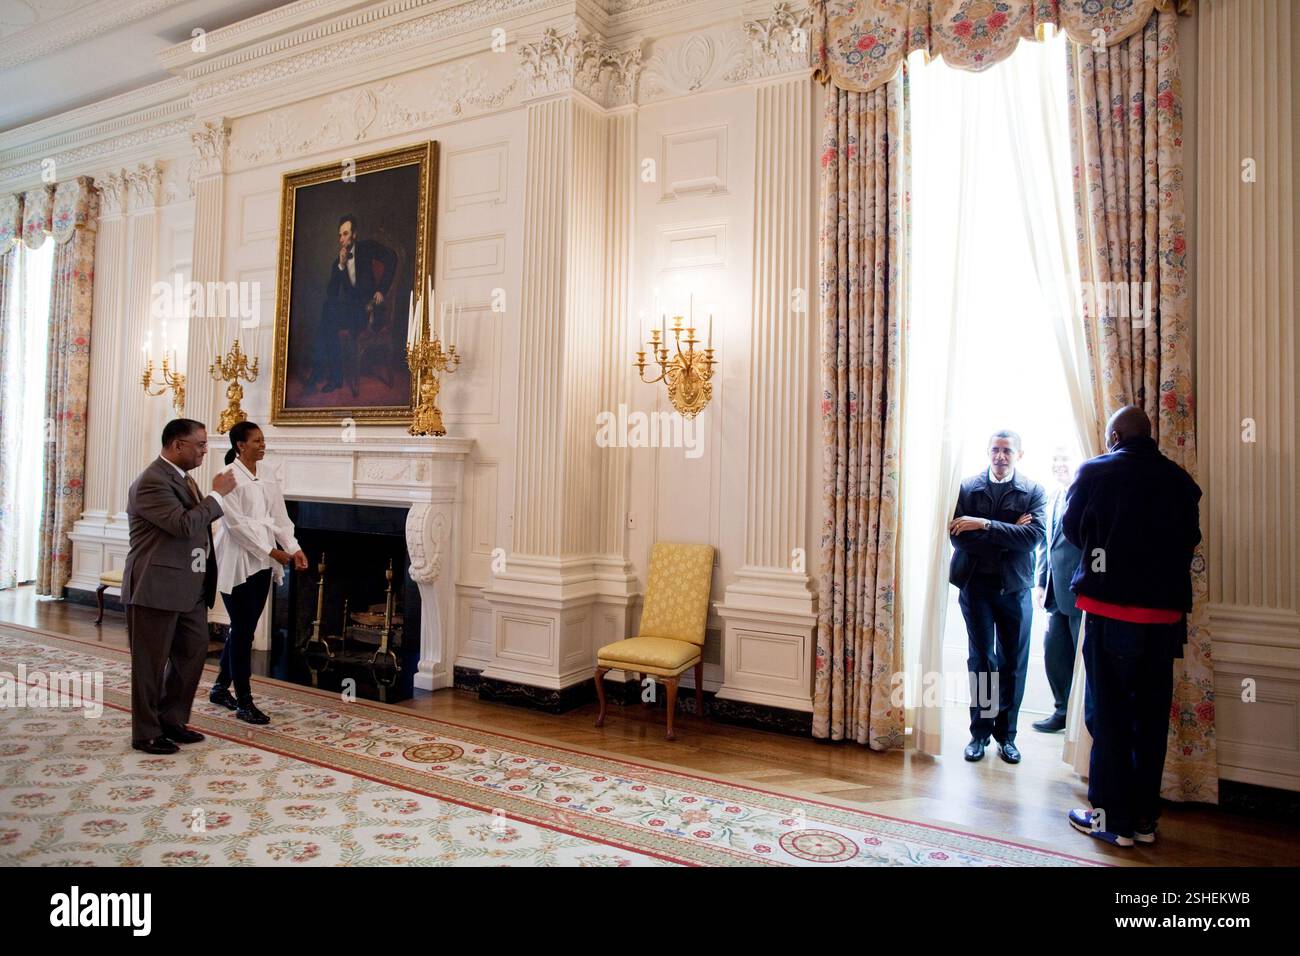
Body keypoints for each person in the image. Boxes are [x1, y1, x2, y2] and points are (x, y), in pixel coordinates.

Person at [1064, 405, 1201, 848]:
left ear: (1116, 437)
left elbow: (1073, 528)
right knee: (1149, 720)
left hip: (1110, 613)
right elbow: (1190, 540)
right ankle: (1143, 820)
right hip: (1163, 621)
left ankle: (1110, 819)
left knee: (1109, 716)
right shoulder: (1180, 480)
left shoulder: (1096, 472)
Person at [122, 418, 236, 754]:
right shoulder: (151, 482)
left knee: (193, 653)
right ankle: (145, 733)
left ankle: (172, 720)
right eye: (200, 444)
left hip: (189, 589)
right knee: (150, 665)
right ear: (176, 445)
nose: (205, 450)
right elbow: (185, 525)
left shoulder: (183, 479)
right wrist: (217, 494)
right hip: (154, 588)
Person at [949, 430, 1047, 764]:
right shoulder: (966, 487)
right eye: (995, 450)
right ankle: (980, 733)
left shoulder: (1033, 490)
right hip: (976, 587)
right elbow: (959, 539)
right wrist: (1008, 531)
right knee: (982, 662)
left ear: (1019, 454)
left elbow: (1032, 538)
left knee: (1012, 664)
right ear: (987, 452)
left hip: (1015, 589)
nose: (1000, 456)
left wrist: (983, 525)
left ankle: (1007, 736)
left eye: (1007, 451)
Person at [209, 421, 308, 724]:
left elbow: (280, 516)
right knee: (242, 630)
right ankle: (245, 702)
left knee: (245, 629)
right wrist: (270, 552)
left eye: (264, 441)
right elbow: (235, 526)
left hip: (264, 561)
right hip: (236, 560)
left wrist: (294, 547)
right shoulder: (227, 477)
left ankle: (219, 688)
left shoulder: (266, 474)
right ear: (240, 445)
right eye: (257, 441)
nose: (262, 445)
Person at [1032, 447, 1084, 733]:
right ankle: (1062, 709)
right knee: (1054, 653)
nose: (1059, 464)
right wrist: (1040, 582)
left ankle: (1080, 720)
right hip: (1054, 594)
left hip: (1080, 595)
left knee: (1082, 658)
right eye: (1055, 459)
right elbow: (1046, 545)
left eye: (1064, 458)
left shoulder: (1086, 497)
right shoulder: (1052, 496)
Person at [315, 213, 396, 396]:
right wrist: (342, 267)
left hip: (371, 311)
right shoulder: (338, 262)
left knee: (326, 318)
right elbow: (331, 294)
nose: (341, 238)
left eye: (345, 234)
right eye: (340, 235)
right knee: (327, 312)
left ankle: (321, 373)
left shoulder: (367, 248)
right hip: (353, 313)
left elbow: (392, 258)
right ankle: (335, 378)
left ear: (354, 235)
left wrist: (382, 290)